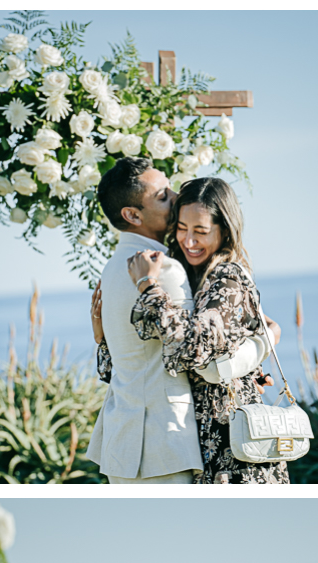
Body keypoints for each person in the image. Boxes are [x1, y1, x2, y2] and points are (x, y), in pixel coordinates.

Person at [86, 158, 278, 484]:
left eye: (201, 231)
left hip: (130, 443)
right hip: (164, 443)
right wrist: (264, 340)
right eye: (162, 196)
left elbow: (123, 365)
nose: (175, 197)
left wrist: (103, 341)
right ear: (132, 215)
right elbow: (195, 355)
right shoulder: (166, 271)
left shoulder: (112, 268)